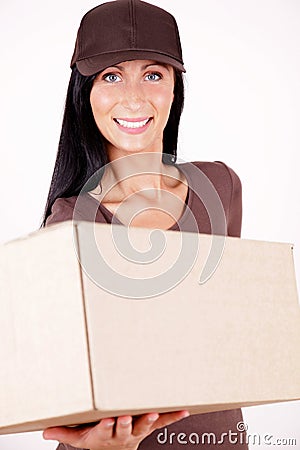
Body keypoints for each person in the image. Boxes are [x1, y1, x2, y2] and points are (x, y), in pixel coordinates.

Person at [41, 1, 248, 449]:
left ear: (176, 89)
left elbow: (231, 325)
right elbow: (65, 385)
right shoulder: (70, 222)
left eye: (154, 74)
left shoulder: (221, 187)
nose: (134, 97)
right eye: (111, 76)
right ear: (85, 95)